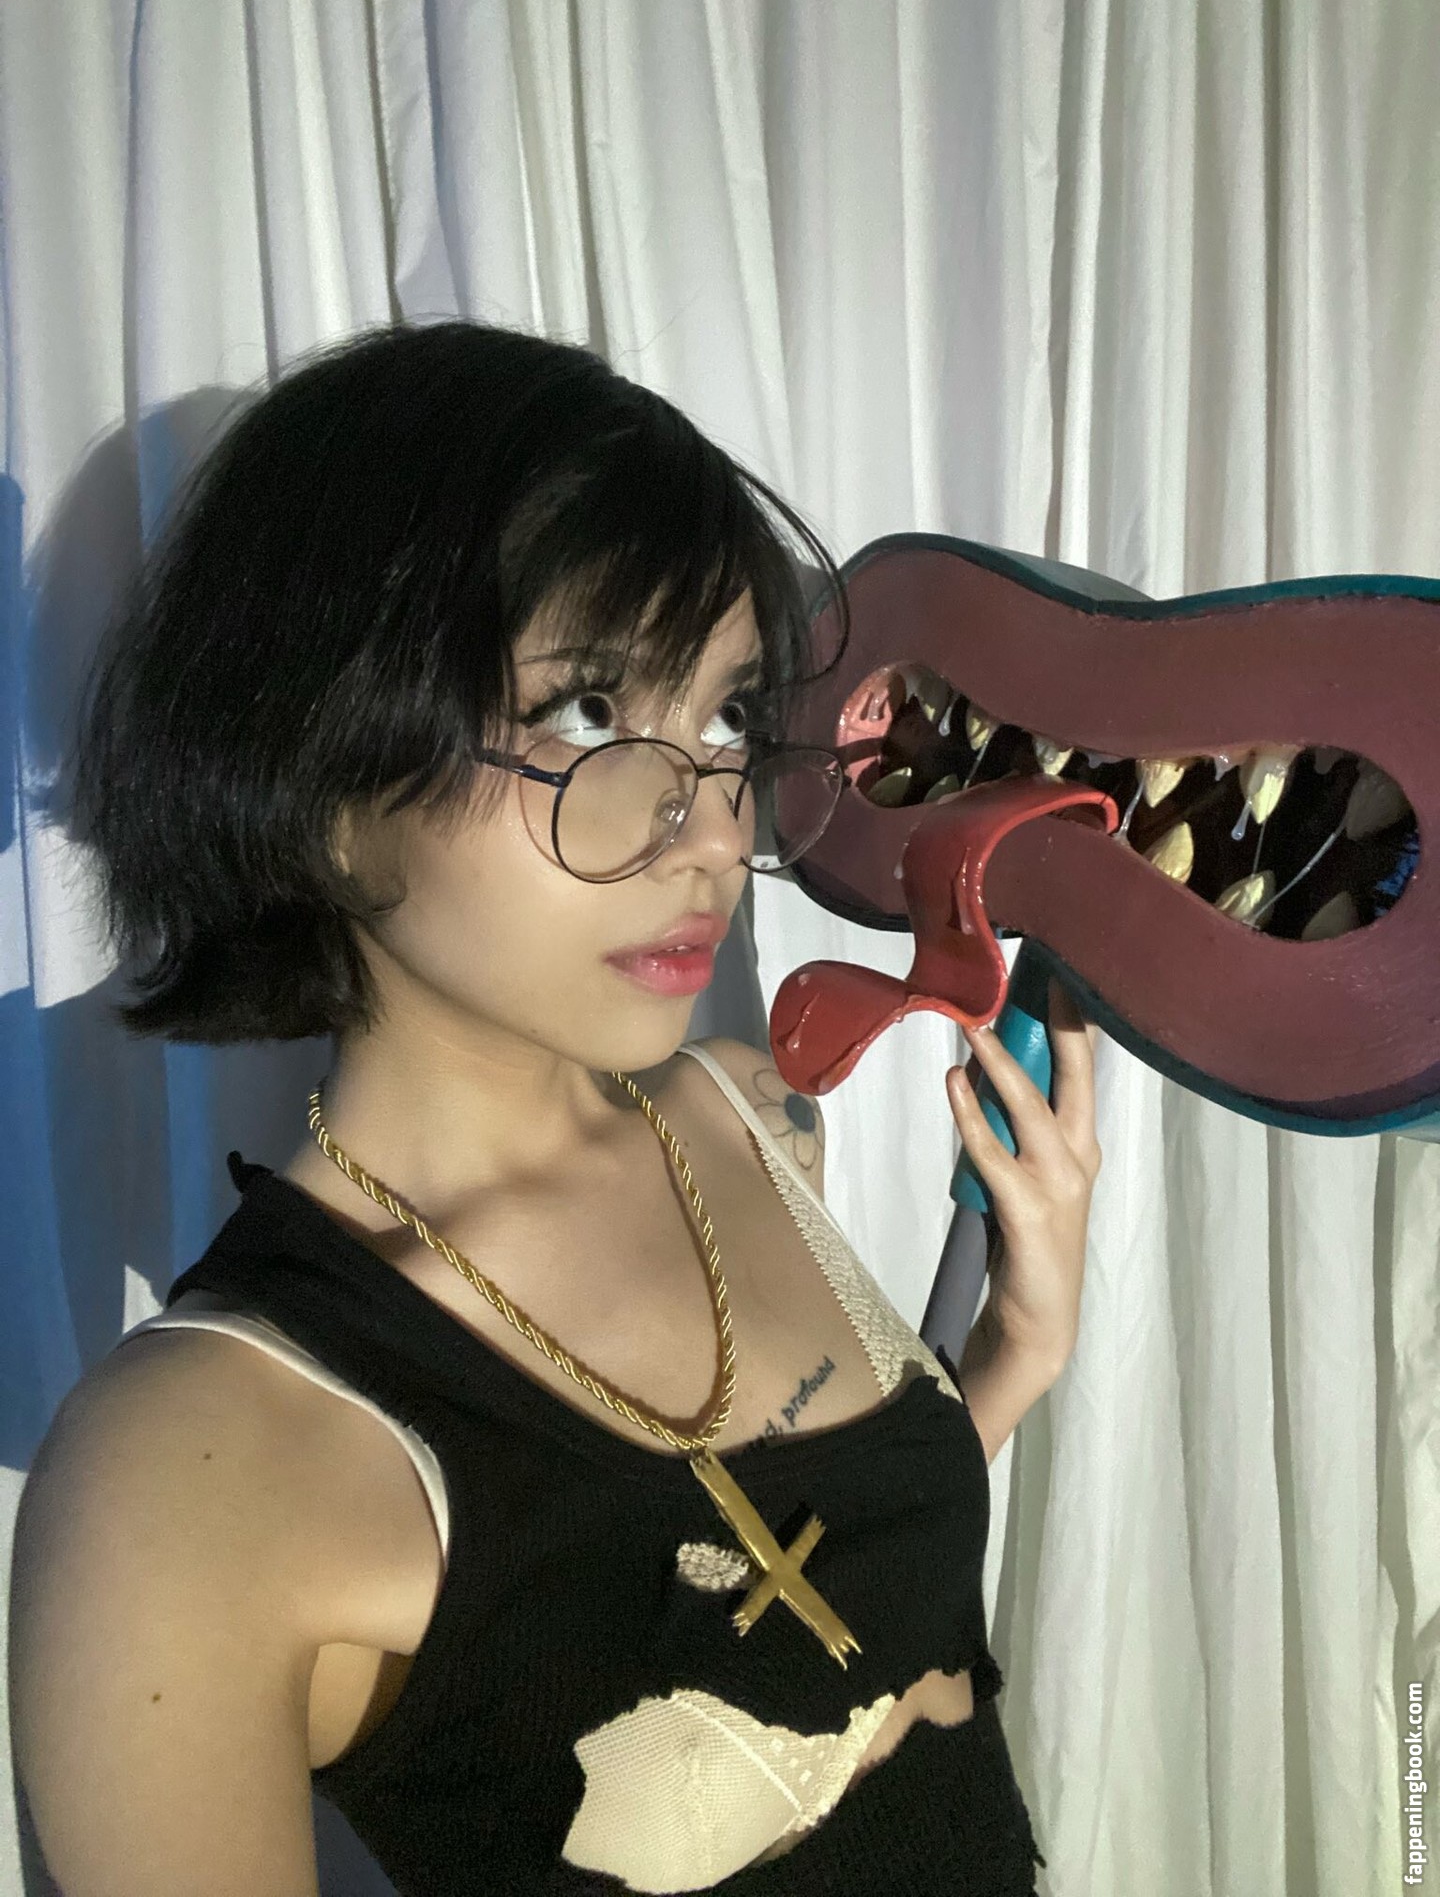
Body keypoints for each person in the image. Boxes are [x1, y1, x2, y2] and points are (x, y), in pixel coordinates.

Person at [9, 319, 1099, 1894]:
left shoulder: (750, 1127)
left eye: (725, 718)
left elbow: (810, 1611)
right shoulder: (182, 1478)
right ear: (324, 784)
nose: (707, 829)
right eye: (588, 712)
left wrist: (1004, 1365)